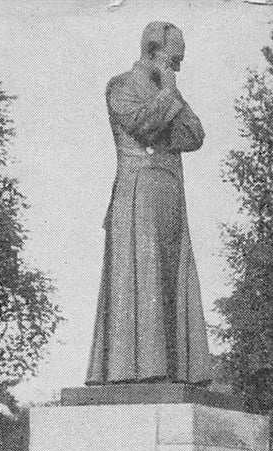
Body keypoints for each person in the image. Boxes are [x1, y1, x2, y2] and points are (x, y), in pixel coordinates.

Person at [86, 21, 212, 385]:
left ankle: (172, 371)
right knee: (139, 280)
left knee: (171, 281)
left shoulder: (166, 92)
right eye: (175, 59)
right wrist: (168, 94)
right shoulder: (122, 85)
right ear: (154, 52)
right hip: (138, 190)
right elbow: (141, 124)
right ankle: (135, 372)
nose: (178, 66)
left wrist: (169, 97)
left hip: (169, 193)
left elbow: (195, 135)